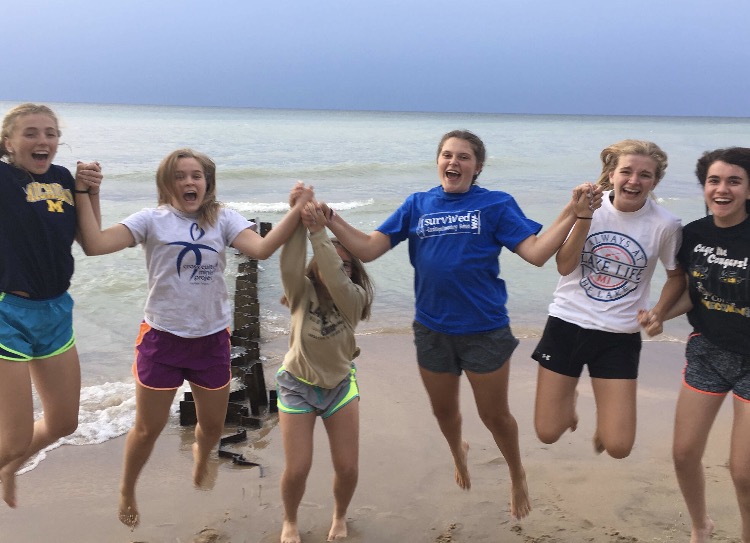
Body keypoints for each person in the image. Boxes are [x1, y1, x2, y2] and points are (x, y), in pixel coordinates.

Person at [317, 129, 599, 520]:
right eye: (447, 155)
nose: (454, 162)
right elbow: (368, 248)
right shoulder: (417, 204)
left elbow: (536, 253)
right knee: (444, 412)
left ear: (477, 167)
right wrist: (330, 218)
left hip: (484, 329)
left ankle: (516, 473)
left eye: (464, 157)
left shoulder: (496, 205)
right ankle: (458, 452)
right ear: (438, 162)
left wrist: (572, 212)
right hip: (431, 329)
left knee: (494, 415)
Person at [73, 149, 314, 529]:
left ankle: (203, 456)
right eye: (180, 176)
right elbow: (95, 244)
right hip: (162, 340)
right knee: (147, 429)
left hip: (211, 340)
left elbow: (263, 249)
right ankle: (126, 488)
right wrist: (87, 193)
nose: (189, 182)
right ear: (166, 183)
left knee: (214, 427)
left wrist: (296, 210)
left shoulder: (223, 219)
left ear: (207, 182)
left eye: (196, 176)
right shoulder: (151, 220)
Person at [532, 139, 685, 460]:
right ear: (611, 175)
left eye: (645, 175)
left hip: (619, 336)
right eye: (626, 172)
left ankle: (600, 416)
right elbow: (564, 265)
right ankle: (569, 398)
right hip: (566, 324)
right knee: (547, 432)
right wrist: (584, 217)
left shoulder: (666, 225)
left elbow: (675, 277)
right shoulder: (588, 208)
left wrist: (657, 311)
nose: (634, 181)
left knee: (618, 447)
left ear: (655, 182)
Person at [640, 148, 750, 543]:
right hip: (708, 351)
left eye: (734, 181)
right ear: (704, 187)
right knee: (684, 454)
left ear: (748, 188)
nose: (722, 189)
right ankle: (700, 525)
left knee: (744, 472)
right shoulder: (695, 235)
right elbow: (694, 293)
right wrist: (659, 315)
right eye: (714, 181)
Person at [0, 103, 103, 508]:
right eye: (30, 133)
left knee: (63, 423)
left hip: (57, 312)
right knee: (13, 440)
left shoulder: (62, 178)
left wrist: (91, 190)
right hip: (8, 313)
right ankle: (9, 460)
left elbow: (90, 240)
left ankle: (9, 467)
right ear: (9, 142)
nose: (42, 141)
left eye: (50, 133)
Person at [276, 189, 374, 543]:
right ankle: (290, 520)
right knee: (298, 468)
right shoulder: (302, 292)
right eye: (330, 259)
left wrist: (319, 231)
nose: (338, 267)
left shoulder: (354, 299)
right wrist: (298, 219)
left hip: (339, 386)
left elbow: (337, 278)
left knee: (347, 467)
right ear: (316, 263)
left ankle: (340, 515)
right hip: (296, 385)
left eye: (346, 263)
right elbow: (289, 263)